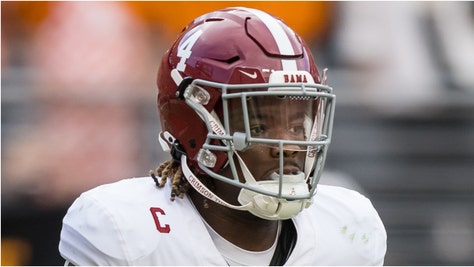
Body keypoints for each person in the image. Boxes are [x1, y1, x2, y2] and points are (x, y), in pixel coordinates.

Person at [59, 7, 387, 265]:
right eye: (258, 127)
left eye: (298, 126)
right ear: (192, 130)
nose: (287, 146)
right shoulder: (123, 231)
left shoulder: (349, 231)